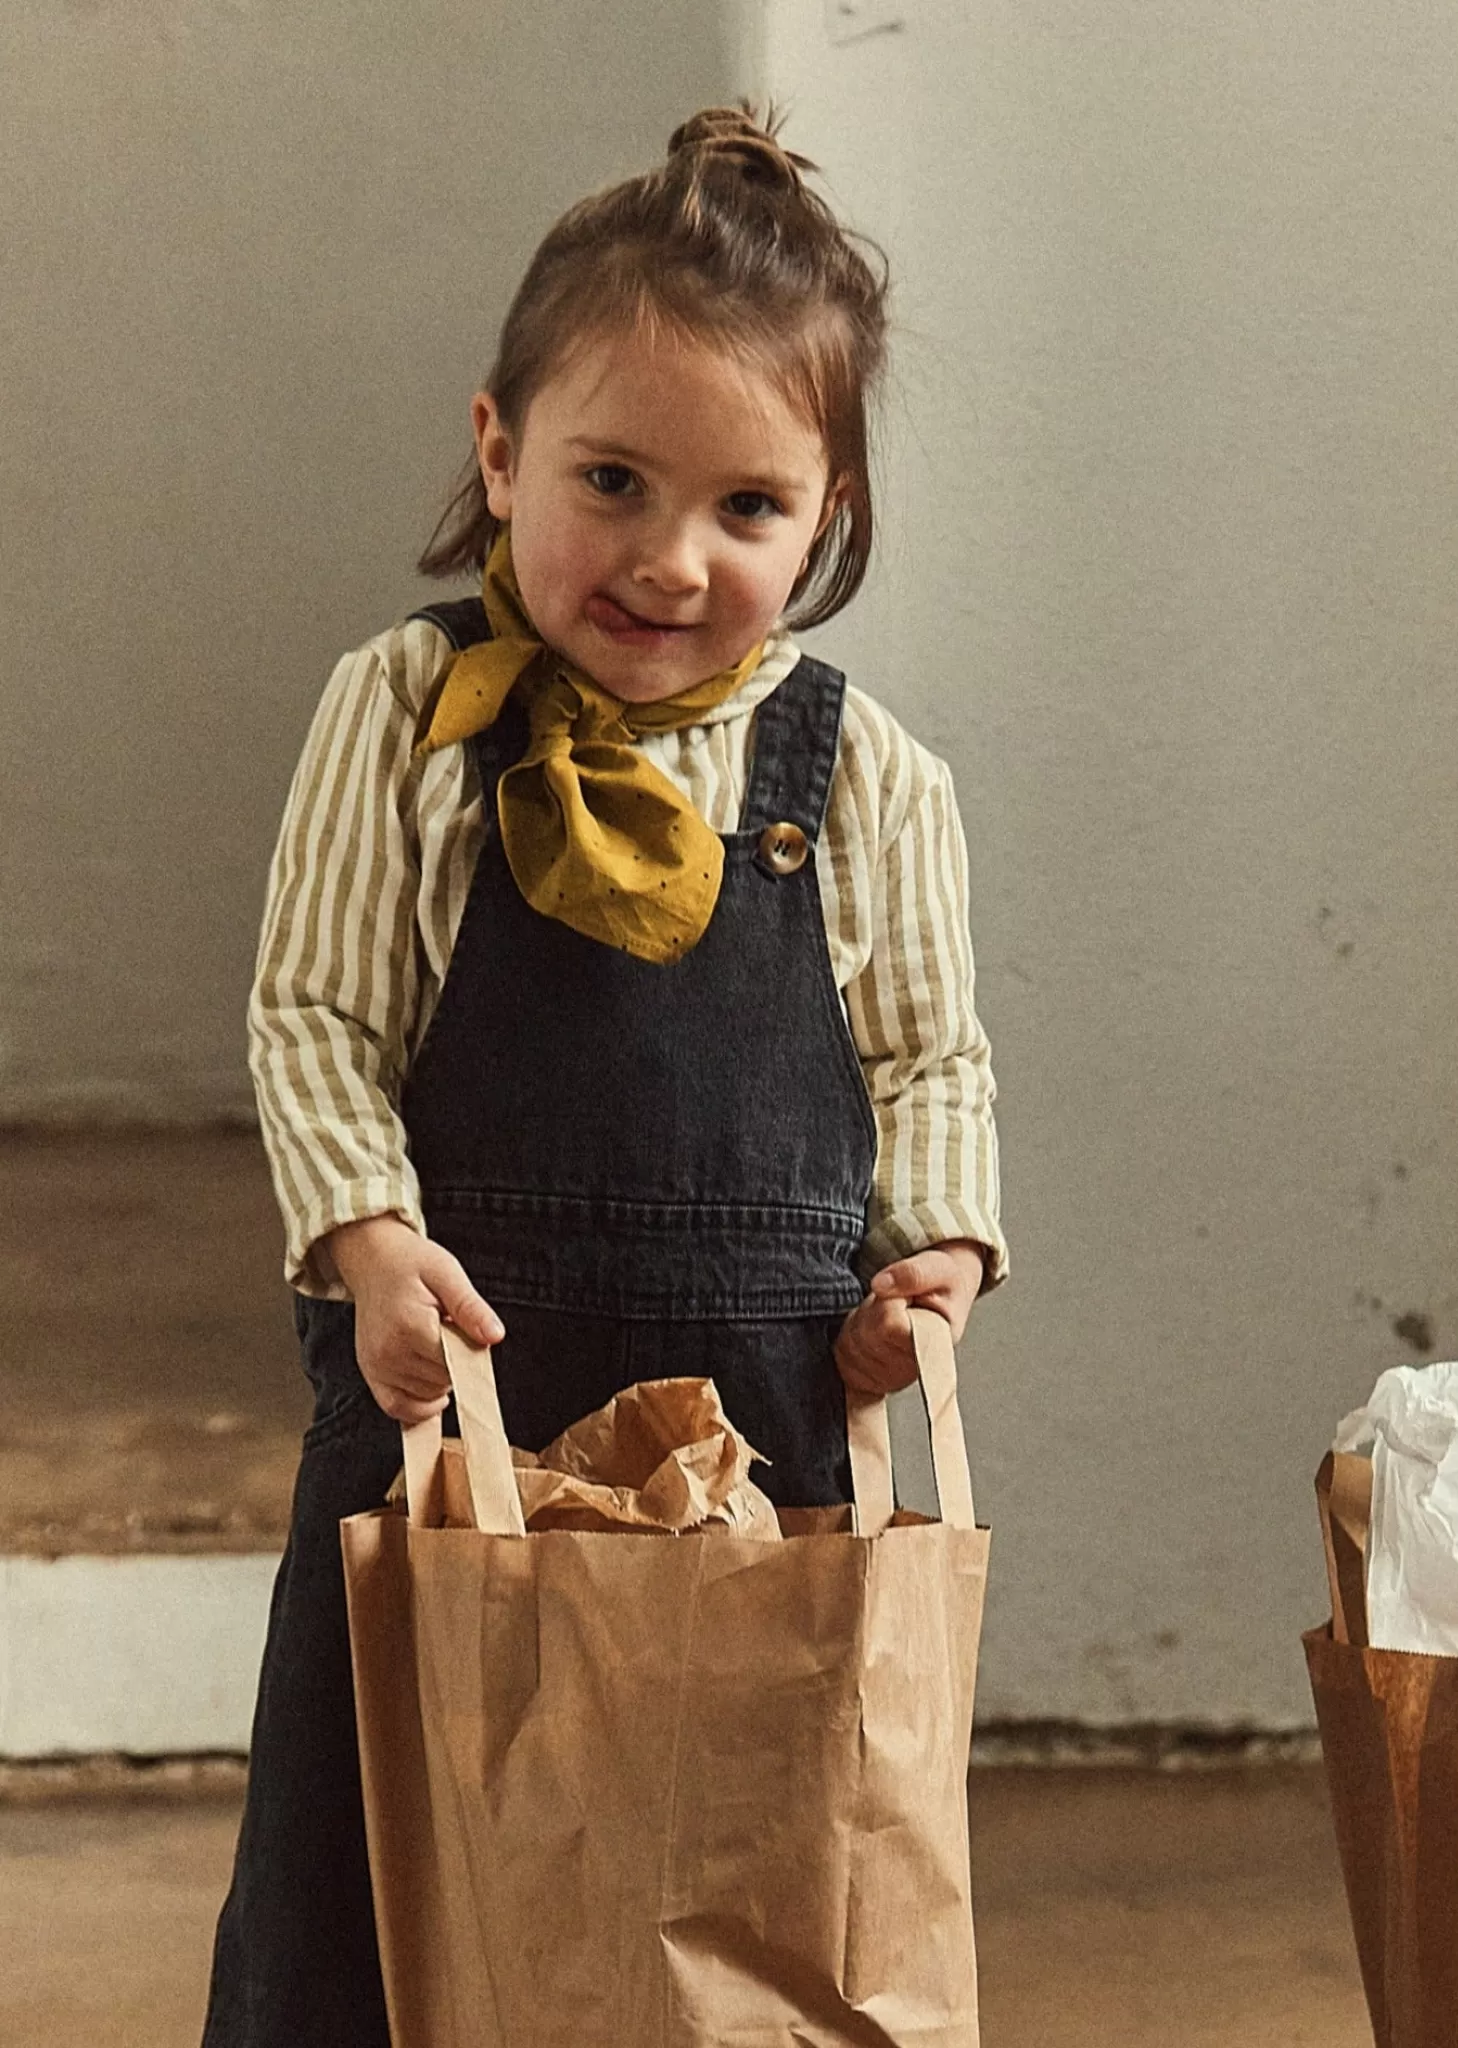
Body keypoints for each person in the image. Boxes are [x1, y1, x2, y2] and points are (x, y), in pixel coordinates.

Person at [203, 104, 1004, 2047]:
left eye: (747, 509)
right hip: (451, 1407)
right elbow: (316, 1018)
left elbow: (926, 1052)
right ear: (499, 449)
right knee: (376, 1861)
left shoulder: (867, 778)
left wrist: (935, 1261)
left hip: (765, 1439)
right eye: (613, 482)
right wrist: (370, 1246)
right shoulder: (402, 712)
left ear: (828, 514)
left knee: (734, 1854)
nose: (668, 559)